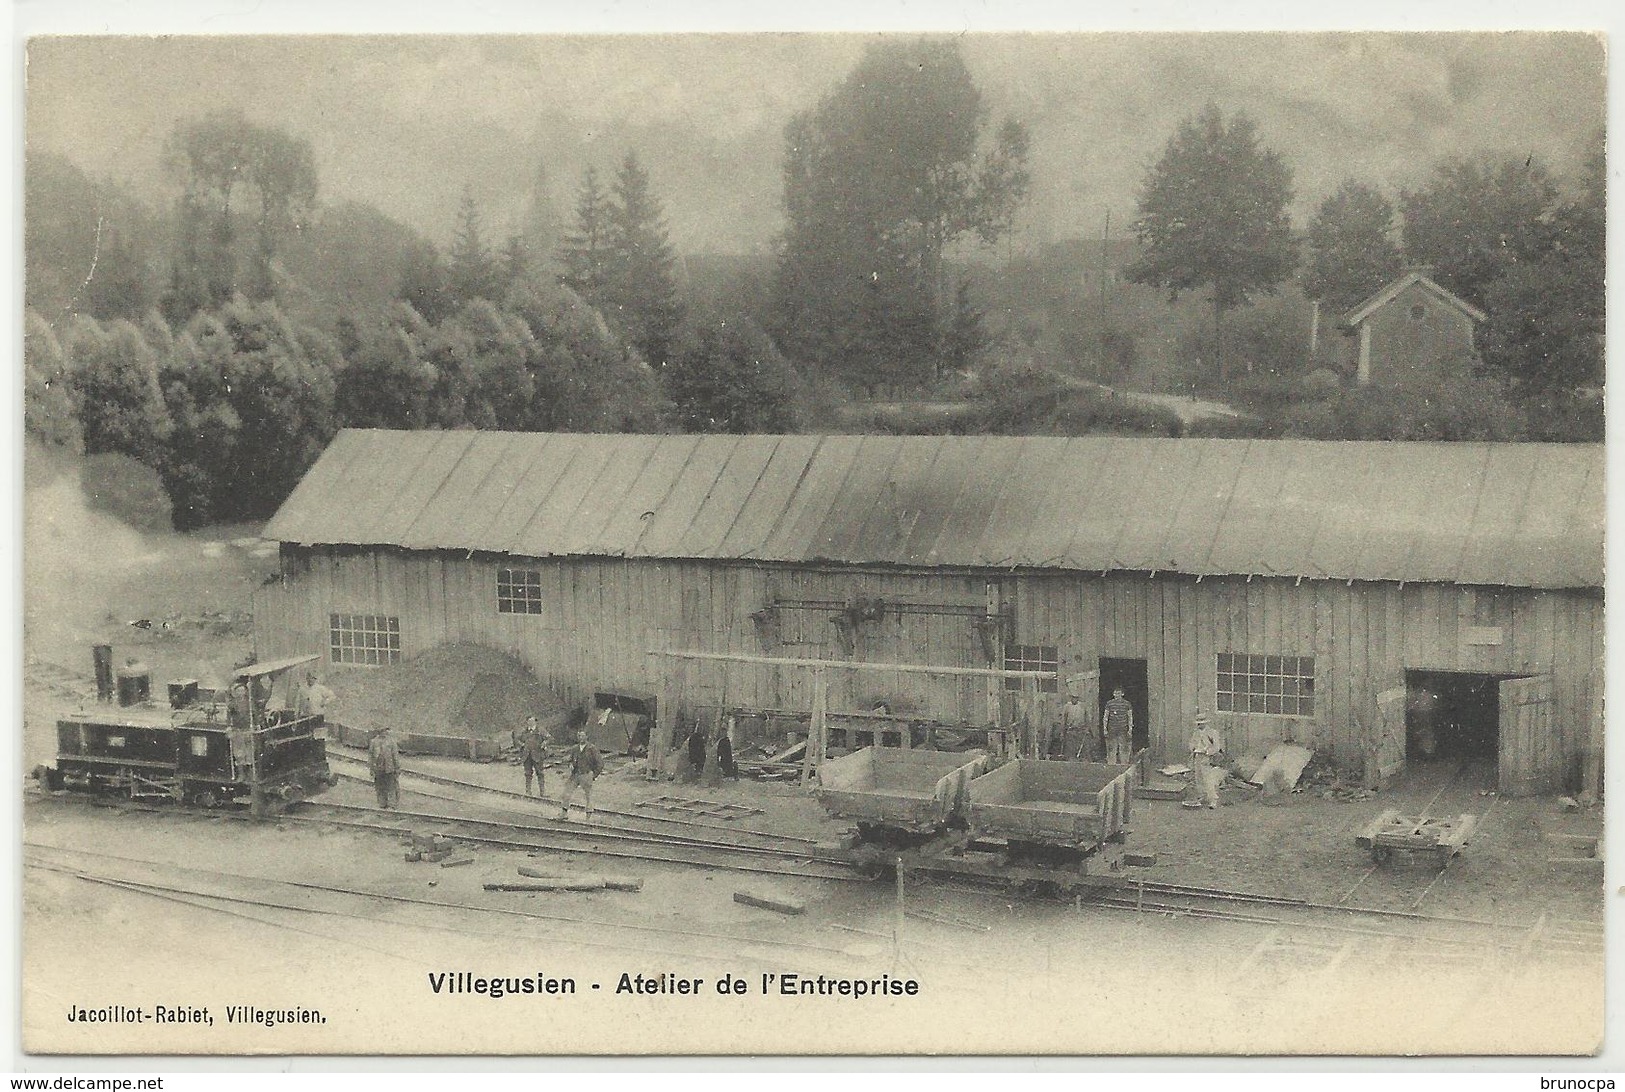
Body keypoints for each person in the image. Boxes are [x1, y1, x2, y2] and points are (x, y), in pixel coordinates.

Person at [558, 729, 603, 820]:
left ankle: (588, 817)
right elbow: (571, 759)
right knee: (567, 792)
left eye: (582, 736)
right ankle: (564, 813)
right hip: (575, 774)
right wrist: (570, 764)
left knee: (588, 795)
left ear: (587, 737)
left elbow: (600, 763)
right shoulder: (575, 748)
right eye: (579, 736)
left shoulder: (592, 748)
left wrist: (593, 775)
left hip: (586, 774)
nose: (581, 738)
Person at [1185, 711, 1224, 810]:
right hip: (1197, 756)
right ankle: (1202, 796)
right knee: (1198, 778)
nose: (1200, 725)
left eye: (1202, 723)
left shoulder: (1212, 733)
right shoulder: (1196, 733)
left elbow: (1217, 747)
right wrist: (1193, 749)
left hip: (1207, 757)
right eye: (1198, 723)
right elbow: (1191, 744)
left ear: (1206, 723)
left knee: (1208, 779)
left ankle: (1213, 800)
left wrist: (1207, 752)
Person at [514, 714, 550, 798]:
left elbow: (549, 738)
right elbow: (517, 739)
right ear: (527, 722)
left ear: (535, 722)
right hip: (526, 756)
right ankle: (528, 792)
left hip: (537, 755)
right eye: (529, 721)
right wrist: (522, 745)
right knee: (528, 773)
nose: (531, 723)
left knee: (540, 773)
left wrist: (544, 743)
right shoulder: (524, 732)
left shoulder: (540, 730)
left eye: (533, 721)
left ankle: (542, 792)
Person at [369, 725, 402, 810]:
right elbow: (371, 756)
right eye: (382, 731)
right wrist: (371, 768)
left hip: (389, 768)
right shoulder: (374, 742)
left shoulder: (391, 742)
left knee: (391, 786)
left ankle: (392, 804)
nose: (384, 733)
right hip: (378, 769)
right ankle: (382, 803)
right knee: (380, 787)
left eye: (385, 731)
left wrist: (397, 768)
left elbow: (395, 755)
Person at [1102, 686, 1135, 765]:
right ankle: (1111, 766)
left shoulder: (1127, 704)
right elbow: (1106, 716)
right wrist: (1105, 729)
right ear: (1113, 694)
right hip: (1112, 729)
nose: (1117, 695)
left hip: (1123, 729)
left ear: (1122, 694)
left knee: (1123, 748)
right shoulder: (1109, 703)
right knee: (1111, 748)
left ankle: (1123, 765)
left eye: (1119, 693)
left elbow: (1130, 717)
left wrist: (1130, 730)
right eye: (1115, 693)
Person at [1062, 694, 1096, 760]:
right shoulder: (1067, 706)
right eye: (1073, 698)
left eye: (1076, 698)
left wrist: (1088, 728)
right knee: (1070, 748)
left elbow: (1087, 718)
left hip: (1081, 730)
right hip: (1071, 730)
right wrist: (1062, 732)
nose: (1074, 699)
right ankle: (1071, 760)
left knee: (1083, 748)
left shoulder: (1083, 706)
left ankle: (1083, 759)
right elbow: (1064, 719)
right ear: (1070, 698)